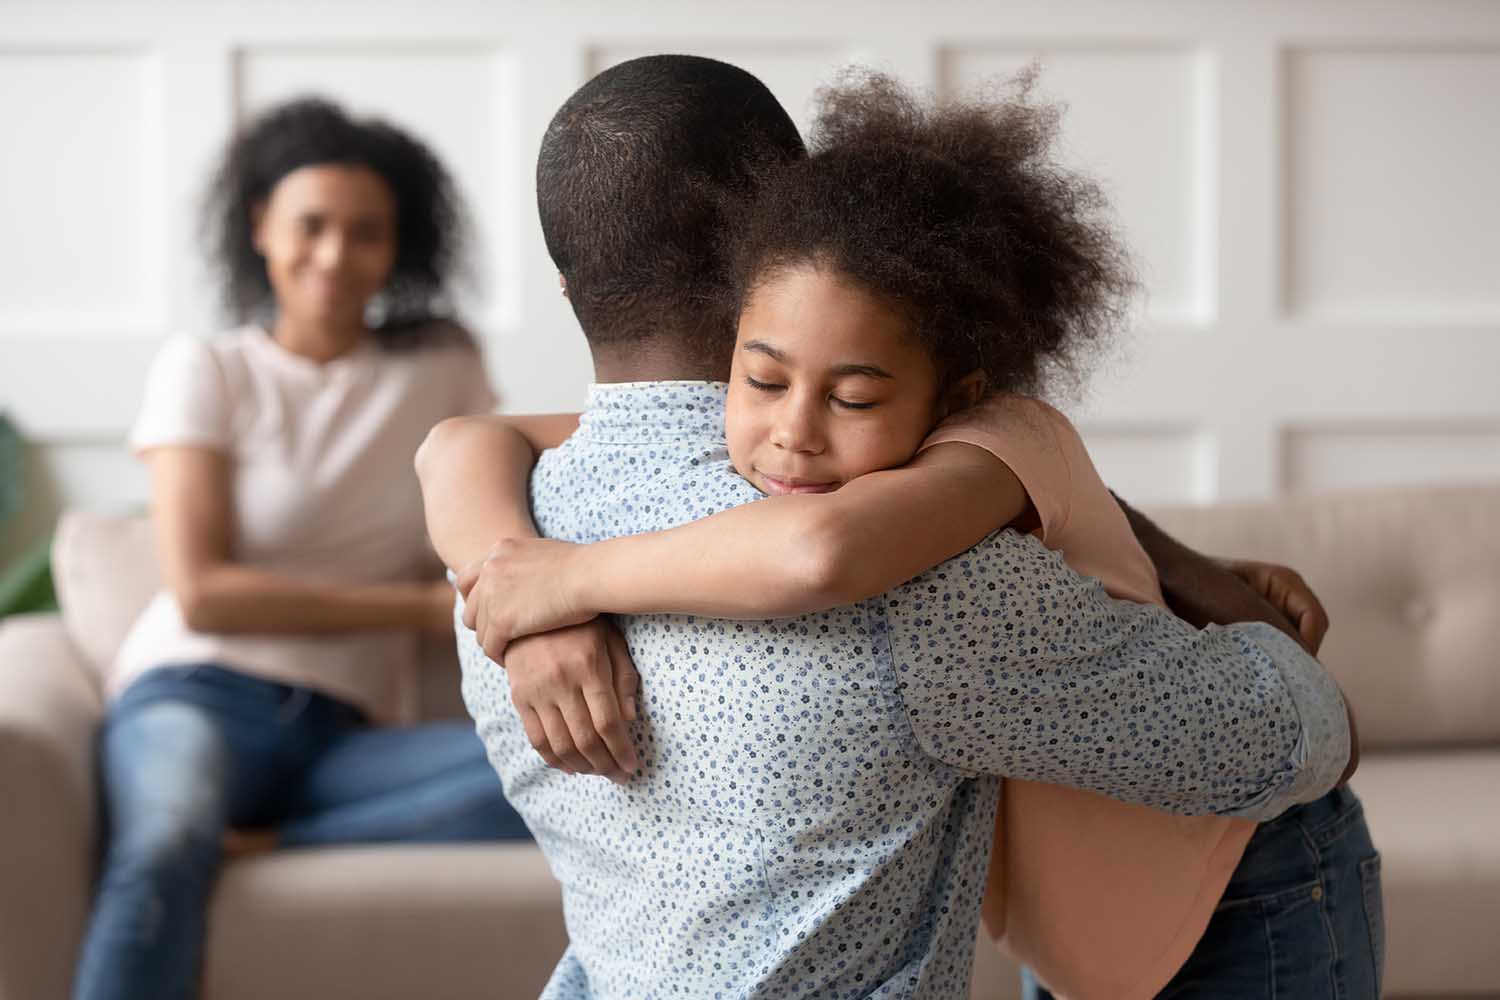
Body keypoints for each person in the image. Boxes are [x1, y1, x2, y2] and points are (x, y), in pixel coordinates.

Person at [417, 55, 1354, 999]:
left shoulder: (501, 560)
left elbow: (462, 443)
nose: (800, 428)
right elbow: (1288, 736)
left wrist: (555, 584)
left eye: (853, 395)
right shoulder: (912, 583)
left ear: (569, 287)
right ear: (769, 244)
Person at [72, 98, 531, 1000]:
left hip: (344, 733)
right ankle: (224, 833)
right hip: (196, 694)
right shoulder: (208, 368)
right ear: (259, 229)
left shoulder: (443, 364)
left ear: (400, 245)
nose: (334, 255)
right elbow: (204, 594)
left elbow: (492, 519)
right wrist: (417, 610)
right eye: (310, 226)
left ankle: (277, 838)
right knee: (166, 839)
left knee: (563, 766)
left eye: (365, 232)